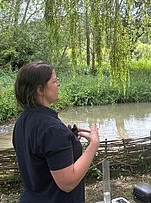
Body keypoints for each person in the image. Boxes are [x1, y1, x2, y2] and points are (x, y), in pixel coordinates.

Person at [13, 61, 100, 203]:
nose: (58, 84)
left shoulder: (22, 121)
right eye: (54, 81)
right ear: (40, 90)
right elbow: (68, 183)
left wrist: (68, 139)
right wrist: (93, 145)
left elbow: (39, 160)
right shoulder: (52, 129)